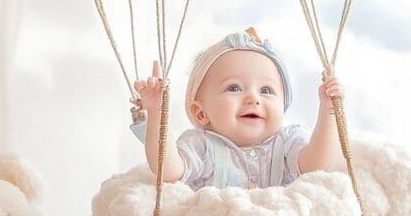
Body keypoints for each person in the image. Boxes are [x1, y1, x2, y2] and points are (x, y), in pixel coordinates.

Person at [134, 28, 345, 190]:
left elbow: (316, 166)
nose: (253, 98)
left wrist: (328, 110)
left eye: (267, 90)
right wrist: (157, 113)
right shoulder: (202, 146)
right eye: (234, 88)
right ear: (201, 113)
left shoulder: (287, 143)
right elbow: (168, 171)